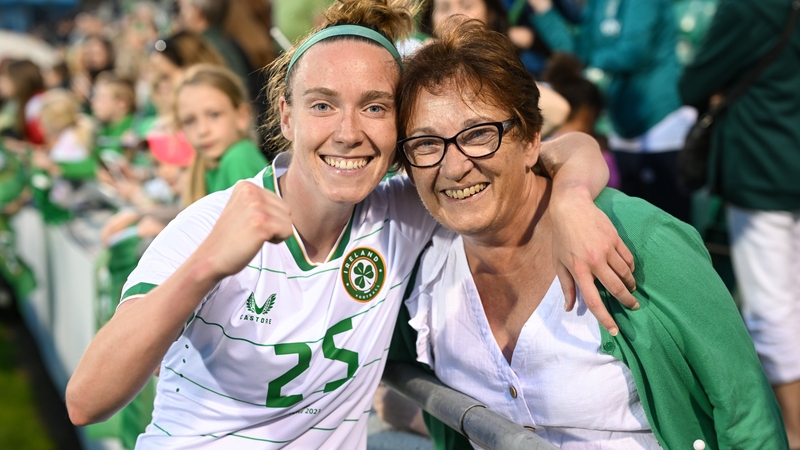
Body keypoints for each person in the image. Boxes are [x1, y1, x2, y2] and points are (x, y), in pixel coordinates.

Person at [66, 1, 637, 448]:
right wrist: (206, 268)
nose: (348, 132)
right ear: (286, 116)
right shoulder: (209, 227)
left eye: (374, 106)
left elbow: (562, 146)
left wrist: (570, 200)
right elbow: (86, 400)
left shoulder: (403, 210)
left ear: (398, 128)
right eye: (322, 105)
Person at [388, 19, 787, 449]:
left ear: (530, 139)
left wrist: (572, 192)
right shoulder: (417, 264)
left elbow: (746, 413)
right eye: (425, 143)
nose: (453, 166)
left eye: (479, 134)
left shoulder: (640, 239)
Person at [679, 0, 800, 446]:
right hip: (773, 162)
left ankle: (795, 429)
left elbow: (694, 83)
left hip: (765, 165)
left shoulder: (751, 7)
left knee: (772, 308)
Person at [528, 0, 695, 223]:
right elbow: (574, 53)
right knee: (629, 230)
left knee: (668, 227)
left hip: (661, 127)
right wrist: (544, 11)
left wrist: (586, 58)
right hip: (621, 127)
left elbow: (633, 52)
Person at [174, 64, 267, 205]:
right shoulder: (209, 166)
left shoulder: (238, 158)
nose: (202, 130)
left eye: (214, 115)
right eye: (189, 121)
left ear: (242, 116)